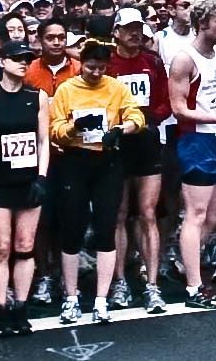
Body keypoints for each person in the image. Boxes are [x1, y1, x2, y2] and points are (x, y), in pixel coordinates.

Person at [48, 40, 144, 324]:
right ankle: (71, 296)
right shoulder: (67, 89)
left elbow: (136, 115)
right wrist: (74, 127)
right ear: (82, 65)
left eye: (101, 68)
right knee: (72, 228)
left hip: (107, 161)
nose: (95, 73)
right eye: (90, 67)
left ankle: (102, 299)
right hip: (75, 161)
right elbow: (54, 129)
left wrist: (121, 129)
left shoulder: (115, 87)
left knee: (106, 227)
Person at [168, 0, 216, 308]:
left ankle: (185, 261)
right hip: (197, 140)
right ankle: (194, 288)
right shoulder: (184, 59)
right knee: (196, 214)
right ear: (202, 25)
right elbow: (178, 109)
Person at [0, 41, 50, 337]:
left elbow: (43, 140)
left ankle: (21, 306)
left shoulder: (37, 97)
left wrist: (42, 177)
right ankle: (1, 308)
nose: (23, 63)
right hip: (0, 181)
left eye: (27, 59)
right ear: (3, 61)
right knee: (2, 247)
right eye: (17, 58)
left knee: (24, 245)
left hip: (29, 179)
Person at [104, 7, 170, 313]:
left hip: (146, 142)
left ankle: (152, 284)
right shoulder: (107, 63)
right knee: (117, 212)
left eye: (138, 28)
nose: (134, 33)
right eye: (128, 28)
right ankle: (119, 281)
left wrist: (146, 120)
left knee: (147, 212)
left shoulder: (152, 61)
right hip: (117, 144)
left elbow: (165, 101)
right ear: (116, 31)